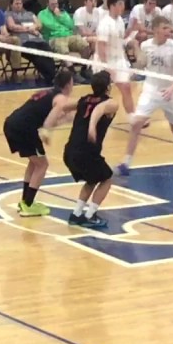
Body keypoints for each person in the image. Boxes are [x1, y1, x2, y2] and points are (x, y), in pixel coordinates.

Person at [118, 17, 173, 176]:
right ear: (156, 29)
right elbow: (140, 65)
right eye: (165, 28)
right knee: (136, 124)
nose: (169, 31)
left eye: (169, 28)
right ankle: (126, 163)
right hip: (151, 89)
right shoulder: (146, 45)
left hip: (171, 92)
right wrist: (135, 48)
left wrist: (172, 89)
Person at [2, 69, 77, 217]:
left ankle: (25, 202)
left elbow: (51, 118)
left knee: (34, 163)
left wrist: (67, 119)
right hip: (24, 128)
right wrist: (47, 131)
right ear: (68, 84)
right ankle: (28, 206)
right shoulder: (61, 99)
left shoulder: (48, 93)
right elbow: (53, 116)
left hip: (12, 123)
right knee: (43, 165)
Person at [63, 71, 118, 230]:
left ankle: (76, 214)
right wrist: (92, 127)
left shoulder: (83, 100)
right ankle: (90, 215)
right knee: (107, 178)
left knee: (92, 179)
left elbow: (62, 106)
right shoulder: (111, 103)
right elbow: (99, 109)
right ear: (108, 86)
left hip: (70, 151)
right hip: (86, 151)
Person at [94, 0, 137, 115]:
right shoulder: (105, 23)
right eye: (120, 4)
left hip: (118, 60)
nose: (123, 7)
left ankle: (132, 116)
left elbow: (120, 40)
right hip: (105, 61)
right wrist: (106, 66)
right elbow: (101, 46)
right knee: (102, 94)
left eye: (123, 4)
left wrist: (131, 29)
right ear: (112, 6)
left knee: (126, 88)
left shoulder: (120, 21)